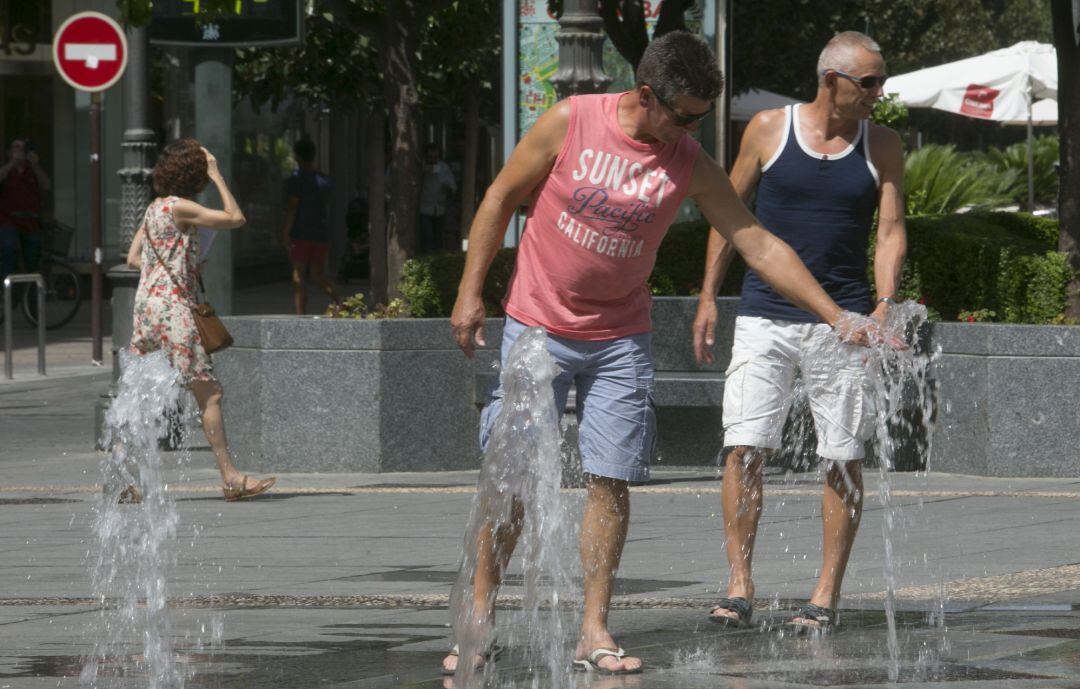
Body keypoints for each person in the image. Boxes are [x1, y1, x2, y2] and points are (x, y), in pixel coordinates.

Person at [446, 30, 884, 676]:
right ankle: (479, 619)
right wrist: (469, 292)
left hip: (621, 335)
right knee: (509, 476)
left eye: (700, 119)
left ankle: (593, 627)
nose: (689, 131)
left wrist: (837, 315)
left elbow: (758, 242)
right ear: (645, 96)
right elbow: (499, 198)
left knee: (610, 479)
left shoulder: (688, 159)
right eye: (682, 116)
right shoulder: (571, 121)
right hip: (537, 325)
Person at [693, 31, 906, 634]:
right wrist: (709, 296)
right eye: (868, 82)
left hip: (847, 326)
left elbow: (890, 230)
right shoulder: (766, 129)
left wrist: (884, 303)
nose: (877, 93)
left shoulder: (883, 143)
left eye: (880, 81)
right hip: (764, 316)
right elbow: (727, 216)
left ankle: (825, 595)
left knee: (843, 456)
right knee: (745, 446)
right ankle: (739, 585)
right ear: (831, 80)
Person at [127, 139, 276, 502]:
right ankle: (231, 477)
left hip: (146, 309)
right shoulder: (182, 208)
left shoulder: (154, 209)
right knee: (210, 393)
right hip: (175, 311)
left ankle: (132, 480)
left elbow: (133, 259)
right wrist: (218, 174)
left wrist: (180, 263)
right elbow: (235, 218)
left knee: (146, 396)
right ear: (194, 174)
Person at [283, 138, 339, 315]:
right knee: (317, 276)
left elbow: (293, 207)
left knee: (298, 275)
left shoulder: (296, 179)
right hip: (320, 233)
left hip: (300, 233)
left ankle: (301, 314)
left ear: (297, 156)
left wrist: (286, 232)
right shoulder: (324, 180)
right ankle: (340, 300)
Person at [0, 138, 51, 280]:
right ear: (9, 152)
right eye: (16, 147)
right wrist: (12, 163)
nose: (19, 151)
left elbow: (46, 185)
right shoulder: (7, 170)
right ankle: (8, 291)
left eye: (22, 148)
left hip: (30, 220)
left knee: (33, 259)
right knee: (8, 249)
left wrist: (35, 166)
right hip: (8, 220)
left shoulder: (32, 171)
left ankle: (31, 297)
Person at [419, 144, 457, 255]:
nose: (433, 161)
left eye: (435, 158)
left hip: (440, 209)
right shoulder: (421, 167)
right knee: (427, 237)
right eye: (430, 158)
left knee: (438, 238)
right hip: (424, 209)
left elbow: (453, 186)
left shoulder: (443, 167)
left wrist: (447, 187)